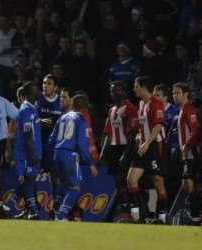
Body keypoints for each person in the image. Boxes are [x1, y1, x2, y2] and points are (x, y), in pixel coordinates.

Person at [127, 76, 169, 223]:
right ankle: (138, 216)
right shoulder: (141, 103)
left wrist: (147, 143)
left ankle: (162, 217)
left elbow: (158, 125)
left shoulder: (156, 103)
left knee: (158, 180)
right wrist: (137, 126)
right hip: (142, 146)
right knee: (131, 180)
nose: (134, 89)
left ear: (143, 87)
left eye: (136, 86)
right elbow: (145, 123)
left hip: (153, 146)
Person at [50, 95, 98, 221]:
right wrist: (90, 163)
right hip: (69, 155)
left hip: (57, 152)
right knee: (75, 187)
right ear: (85, 107)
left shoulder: (62, 117)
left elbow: (51, 139)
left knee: (64, 184)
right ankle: (60, 216)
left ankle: (55, 208)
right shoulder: (81, 120)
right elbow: (82, 145)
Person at [2, 82, 42, 219]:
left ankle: (6, 207)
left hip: (30, 152)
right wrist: (32, 154)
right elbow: (26, 135)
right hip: (26, 153)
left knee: (27, 182)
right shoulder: (26, 110)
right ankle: (34, 212)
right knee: (28, 181)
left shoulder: (32, 108)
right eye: (36, 89)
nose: (39, 91)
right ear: (28, 94)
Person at [100, 82, 138, 221]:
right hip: (114, 149)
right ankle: (125, 210)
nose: (114, 93)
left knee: (124, 180)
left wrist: (126, 153)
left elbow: (132, 133)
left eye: (117, 91)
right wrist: (103, 153)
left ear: (124, 92)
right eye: (112, 91)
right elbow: (108, 133)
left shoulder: (129, 108)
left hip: (125, 147)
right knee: (118, 182)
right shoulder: (112, 110)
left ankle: (131, 211)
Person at [172, 83, 202, 226]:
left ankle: (201, 214)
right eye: (173, 93)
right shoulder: (181, 110)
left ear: (186, 94)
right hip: (186, 153)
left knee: (188, 183)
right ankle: (197, 216)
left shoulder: (189, 110)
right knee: (189, 185)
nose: (175, 96)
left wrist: (186, 146)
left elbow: (196, 129)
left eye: (178, 93)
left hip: (192, 152)